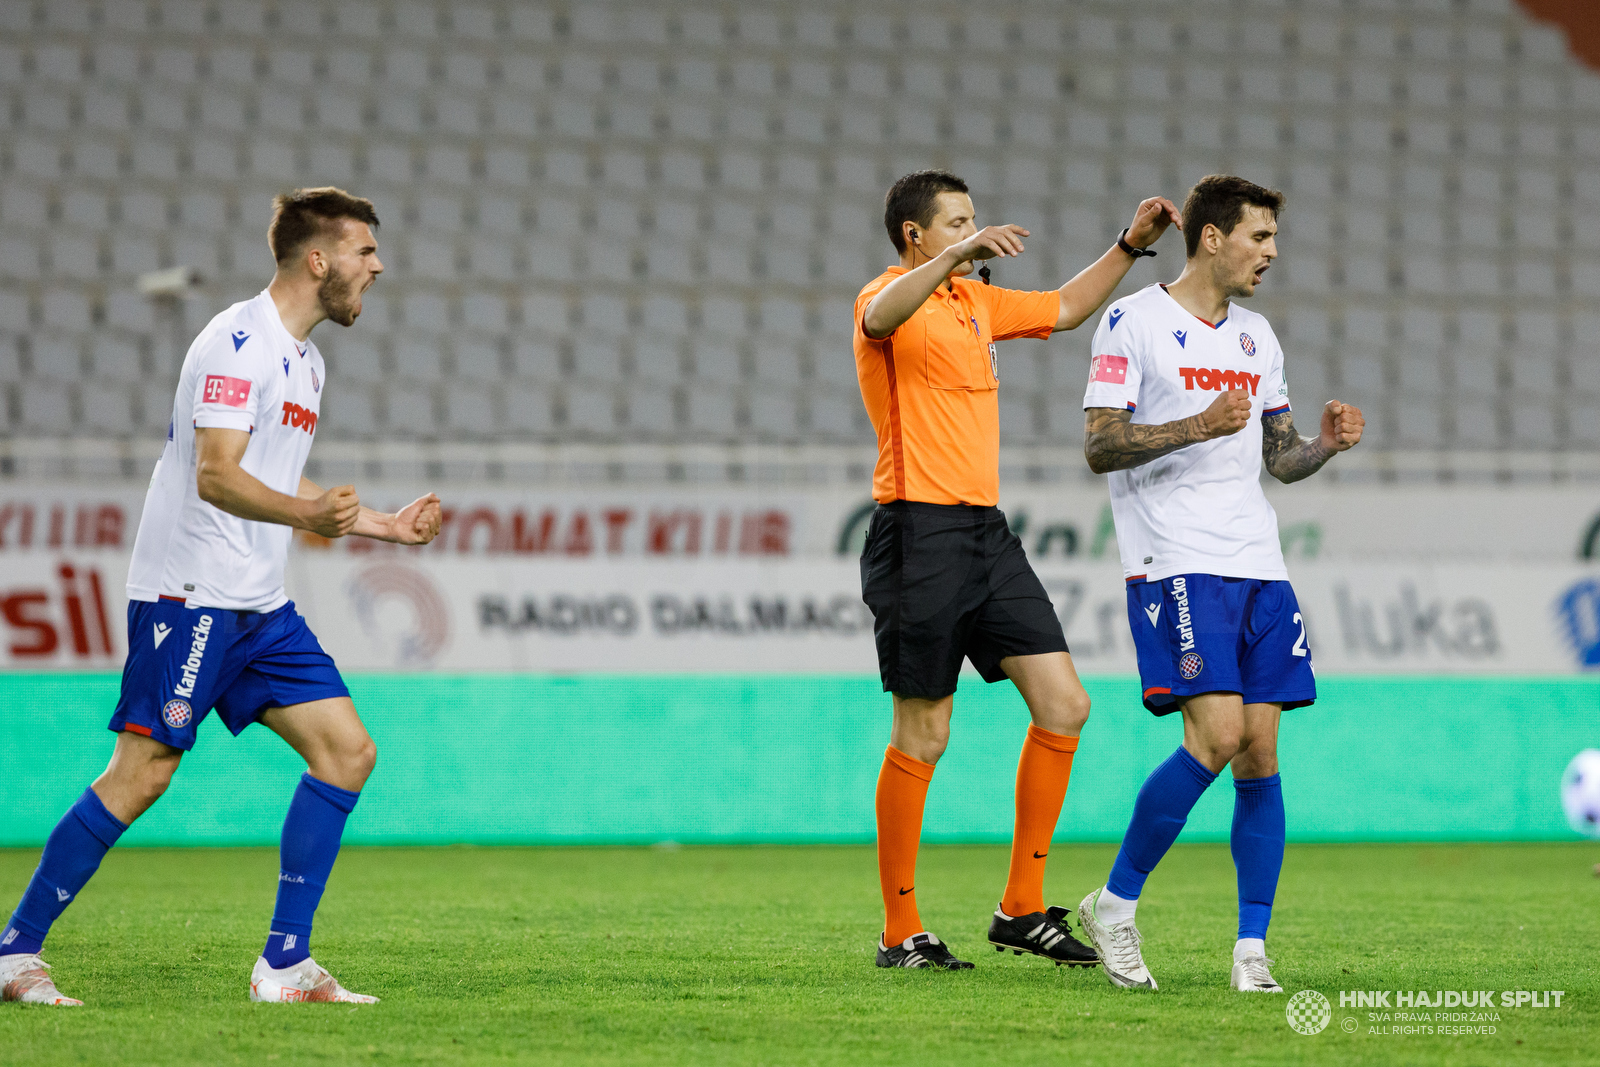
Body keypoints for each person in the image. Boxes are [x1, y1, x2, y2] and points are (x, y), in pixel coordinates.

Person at [0, 188, 443, 1007]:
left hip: (257, 604)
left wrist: (384, 525)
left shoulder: (307, 361)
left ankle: (283, 967)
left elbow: (272, 480)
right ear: (319, 259)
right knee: (142, 774)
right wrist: (309, 514)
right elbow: (217, 474)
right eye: (365, 252)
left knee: (347, 752)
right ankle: (13, 952)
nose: (377, 267)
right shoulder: (237, 343)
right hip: (190, 594)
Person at [854, 169, 1181, 969]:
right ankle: (902, 931)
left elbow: (1067, 308)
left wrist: (1130, 246)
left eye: (973, 220)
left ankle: (1021, 908)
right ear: (915, 236)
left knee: (1065, 704)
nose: (974, 230)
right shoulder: (889, 296)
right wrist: (958, 255)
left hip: (985, 535)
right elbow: (880, 314)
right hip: (916, 535)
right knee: (924, 733)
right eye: (957, 221)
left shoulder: (976, 305)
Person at [1073, 175, 1365, 992]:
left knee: (1261, 751)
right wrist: (1194, 426)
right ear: (1211, 237)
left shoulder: (1258, 338)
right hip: (1174, 557)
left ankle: (1250, 951)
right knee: (1218, 736)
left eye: (1272, 238)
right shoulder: (1133, 320)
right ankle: (1115, 906)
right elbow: (1100, 445)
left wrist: (1325, 446)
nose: (1270, 253)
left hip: (1258, 563)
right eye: (1259, 237)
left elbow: (1279, 457)